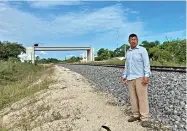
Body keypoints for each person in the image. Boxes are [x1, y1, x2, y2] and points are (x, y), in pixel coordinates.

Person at [121, 33, 151, 127]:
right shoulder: (128, 52)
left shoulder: (142, 50)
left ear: (137, 40)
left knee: (142, 98)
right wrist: (124, 75)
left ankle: (144, 118)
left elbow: (146, 63)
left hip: (140, 77)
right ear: (129, 41)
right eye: (131, 39)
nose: (133, 41)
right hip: (130, 78)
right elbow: (127, 65)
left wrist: (146, 76)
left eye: (135, 39)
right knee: (133, 98)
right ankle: (136, 115)